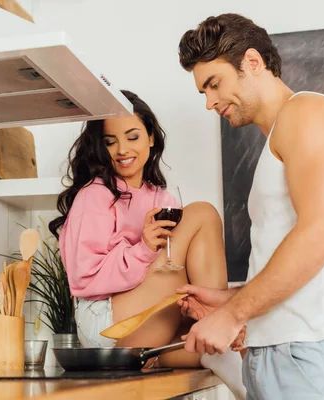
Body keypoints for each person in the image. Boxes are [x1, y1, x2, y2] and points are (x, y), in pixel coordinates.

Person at [176, 13, 324, 399]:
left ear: (252, 62)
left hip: (309, 357)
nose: (210, 102)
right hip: (285, 356)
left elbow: (319, 235)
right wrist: (232, 300)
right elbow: (301, 268)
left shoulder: (306, 113)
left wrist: (233, 315)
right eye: (203, 92)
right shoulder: (280, 137)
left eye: (214, 84)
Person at [49, 89, 246, 398]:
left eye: (132, 136)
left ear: (151, 137)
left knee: (219, 350)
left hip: (148, 334)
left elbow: (172, 275)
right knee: (202, 214)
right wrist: (142, 248)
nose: (121, 149)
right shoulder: (95, 195)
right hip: (107, 327)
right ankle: (219, 318)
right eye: (110, 141)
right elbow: (84, 278)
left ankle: (204, 334)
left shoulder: (162, 199)